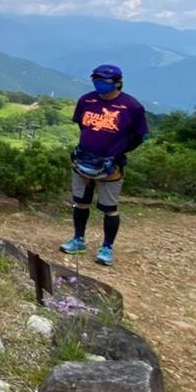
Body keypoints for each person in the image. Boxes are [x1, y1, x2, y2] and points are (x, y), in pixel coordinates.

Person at [60, 64, 149, 267]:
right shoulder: (86, 100)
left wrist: (118, 151)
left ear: (117, 82)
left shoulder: (132, 107)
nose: (100, 84)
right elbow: (82, 125)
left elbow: (139, 136)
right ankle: (78, 239)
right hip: (83, 160)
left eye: (105, 81)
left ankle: (107, 247)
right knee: (80, 202)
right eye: (96, 80)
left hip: (111, 164)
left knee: (110, 207)